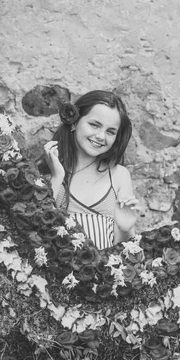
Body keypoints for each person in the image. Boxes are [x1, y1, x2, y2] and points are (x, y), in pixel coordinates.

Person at [43, 90, 139, 250]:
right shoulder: (50, 173)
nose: (101, 136)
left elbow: (124, 253)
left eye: (110, 131)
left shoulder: (120, 176)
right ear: (74, 122)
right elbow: (38, 229)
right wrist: (57, 176)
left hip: (103, 273)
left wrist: (124, 229)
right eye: (94, 125)